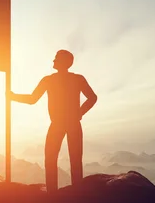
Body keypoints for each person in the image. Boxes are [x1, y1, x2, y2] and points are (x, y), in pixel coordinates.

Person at [9, 49, 97, 192]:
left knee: (52, 159)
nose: (53, 61)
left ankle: (52, 193)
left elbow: (32, 99)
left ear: (64, 62)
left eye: (56, 58)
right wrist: (79, 113)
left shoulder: (50, 80)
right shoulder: (75, 79)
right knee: (73, 160)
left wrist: (12, 97)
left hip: (60, 124)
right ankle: (76, 193)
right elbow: (92, 98)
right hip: (70, 123)